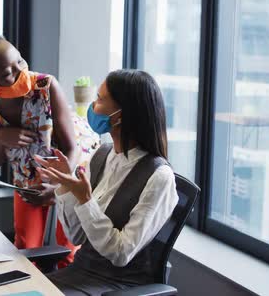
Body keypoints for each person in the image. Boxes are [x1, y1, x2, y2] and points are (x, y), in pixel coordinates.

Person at [0, 31, 99, 265]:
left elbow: (72, 149)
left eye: (20, 60)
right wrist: (0, 138)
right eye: (8, 72)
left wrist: (57, 186)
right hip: (27, 178)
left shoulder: (46, 85)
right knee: (26, 250)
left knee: (67, 252)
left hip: (71, 172)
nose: (21, 71)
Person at [35, 69, 179, 295]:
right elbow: (76, 236)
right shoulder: (102, 154)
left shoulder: (159, 177)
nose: (93, 106)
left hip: (114, 286)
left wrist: (85, 200)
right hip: (79, 272)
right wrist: (66, 185)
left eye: (100, 99)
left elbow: (120, 253)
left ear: (121, 115)